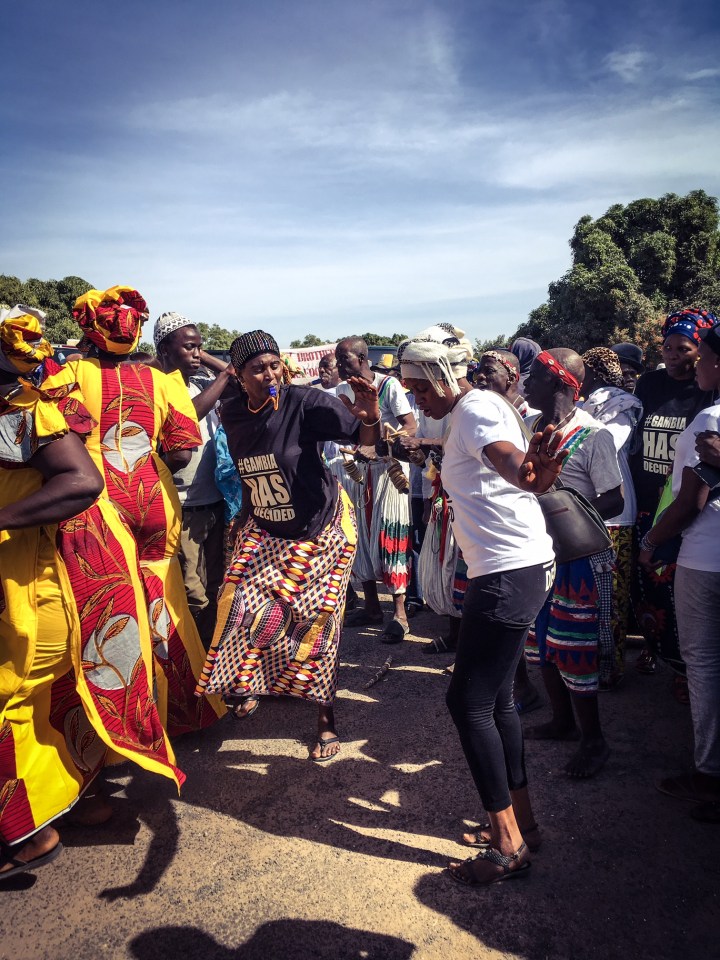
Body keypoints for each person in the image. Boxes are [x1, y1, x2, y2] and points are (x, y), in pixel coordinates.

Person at [0, 307, 181, 881]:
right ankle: (79, 801)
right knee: (63, 687)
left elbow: (81, 480)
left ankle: (28, 831)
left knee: (18, 692)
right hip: (68, 557)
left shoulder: (14, 408)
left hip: (57, 566)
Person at [399, 337, 563, 885]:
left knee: (467, 701)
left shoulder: (473, 412)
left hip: (509, 573)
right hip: (518, 567)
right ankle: (523, 824)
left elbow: (511, 464)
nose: (416, 398)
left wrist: (530, 472)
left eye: (421, 387)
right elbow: (483, 458)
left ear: (446, 377)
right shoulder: (468, 411)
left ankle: (508, 843)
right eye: (409, 389)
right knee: (496, 700)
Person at [43, 287, 223, 735]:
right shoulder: (161, 382)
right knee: (165, 604)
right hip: (154, 502)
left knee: (108, 614)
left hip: (96, 507)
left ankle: (122, 727)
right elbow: (182, 452)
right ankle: (186, 713)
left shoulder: (68, 375)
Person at [195, 331, 381, 761]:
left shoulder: (305, 403)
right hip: (266, 528)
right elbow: (247, 466)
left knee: (316, 624)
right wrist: (243, 516)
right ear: (239, 376)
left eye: (274, 365)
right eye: (258, 369)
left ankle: (325, 721)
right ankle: (251, 683)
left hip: (322, 529)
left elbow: (367, 444)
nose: (269, 374)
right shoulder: (232, 411)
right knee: (242, 606)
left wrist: (369, 416)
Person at [524, 349, 623, 778]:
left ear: (563, 384)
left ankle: (594, 741)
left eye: (538, 377)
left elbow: (614, 498)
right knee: (543, 642)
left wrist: (569, 518)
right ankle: (562, 722)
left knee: (574, 649)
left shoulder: (593, 435)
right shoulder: (533, 428)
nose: (527, 383)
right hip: (542, 553)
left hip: (580, 558)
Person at [638, 317, 720, 822]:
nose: (697, 364)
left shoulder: (710, 421)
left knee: (705, 662)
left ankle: (709, 775)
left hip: (705, 558)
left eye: (704, 354)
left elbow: (691, 501)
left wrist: (651, 540)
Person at [629, 309, 715, 680]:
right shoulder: (649, 385)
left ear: (701, 352)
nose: (673, 354)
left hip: (684, 505)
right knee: (647, 588)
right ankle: (653, 648)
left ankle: (685, 670)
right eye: (667, 347)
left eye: (683, 348)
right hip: (648, 503)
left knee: (682, 596)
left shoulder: (707, 391)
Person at [154, 313, 235, 647]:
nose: (197, 355)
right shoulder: (156, 387)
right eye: (189, 347)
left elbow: (240, 381)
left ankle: (212, 656)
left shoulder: (199, 384)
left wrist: (219, 366)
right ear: (164, 351)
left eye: (200, 348)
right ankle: (198, 666)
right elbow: (186, 418)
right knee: (193, 591)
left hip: (212, 502)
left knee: (217, 586)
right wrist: (225, 374)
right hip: (183, 506)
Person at [335, 337, 417, 642]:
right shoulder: (343, 391)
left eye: (344, 360)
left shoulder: (388, 386)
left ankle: (400, 615)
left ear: (361, 359)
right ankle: (371, 608)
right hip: (358, 473)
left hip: (389, 472)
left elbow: (411, 426)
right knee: (360, 538)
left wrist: (384, 444)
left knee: (389, 537)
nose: (340, 366)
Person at [581, 347, 643, 688]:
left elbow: (603, 445)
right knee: (587, 595)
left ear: (593, 374)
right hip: (587, 505)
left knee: (612, 598)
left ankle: (610, 669)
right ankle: (583, 665)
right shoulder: (584, 406)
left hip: (615, 511)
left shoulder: (621, 407)